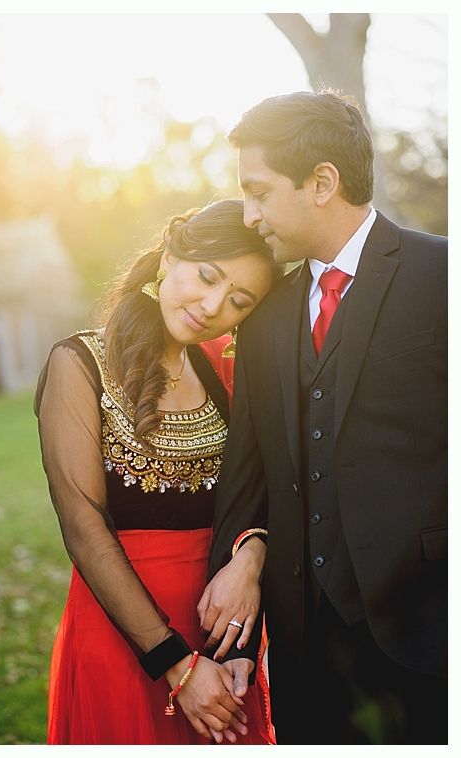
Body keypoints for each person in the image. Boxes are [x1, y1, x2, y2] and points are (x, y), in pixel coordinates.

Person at [200, 90, 447, 744]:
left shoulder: (442, 275)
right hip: (307, 653)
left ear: (322, 183)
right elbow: (246, 476)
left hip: (429, 641)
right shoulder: (266, 317)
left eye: (258, 192)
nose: (249, 217)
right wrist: (237, 644)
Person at [35, 199, 281, 745]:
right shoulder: (78, 363)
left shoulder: (223, 370)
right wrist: (177, 667)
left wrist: (250, 558)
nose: (213, 304)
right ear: (172, 252)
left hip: (223, 634)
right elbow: (83, 526)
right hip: (125, 635)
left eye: (238, 300)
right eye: (208, 276)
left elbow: (260, 491)